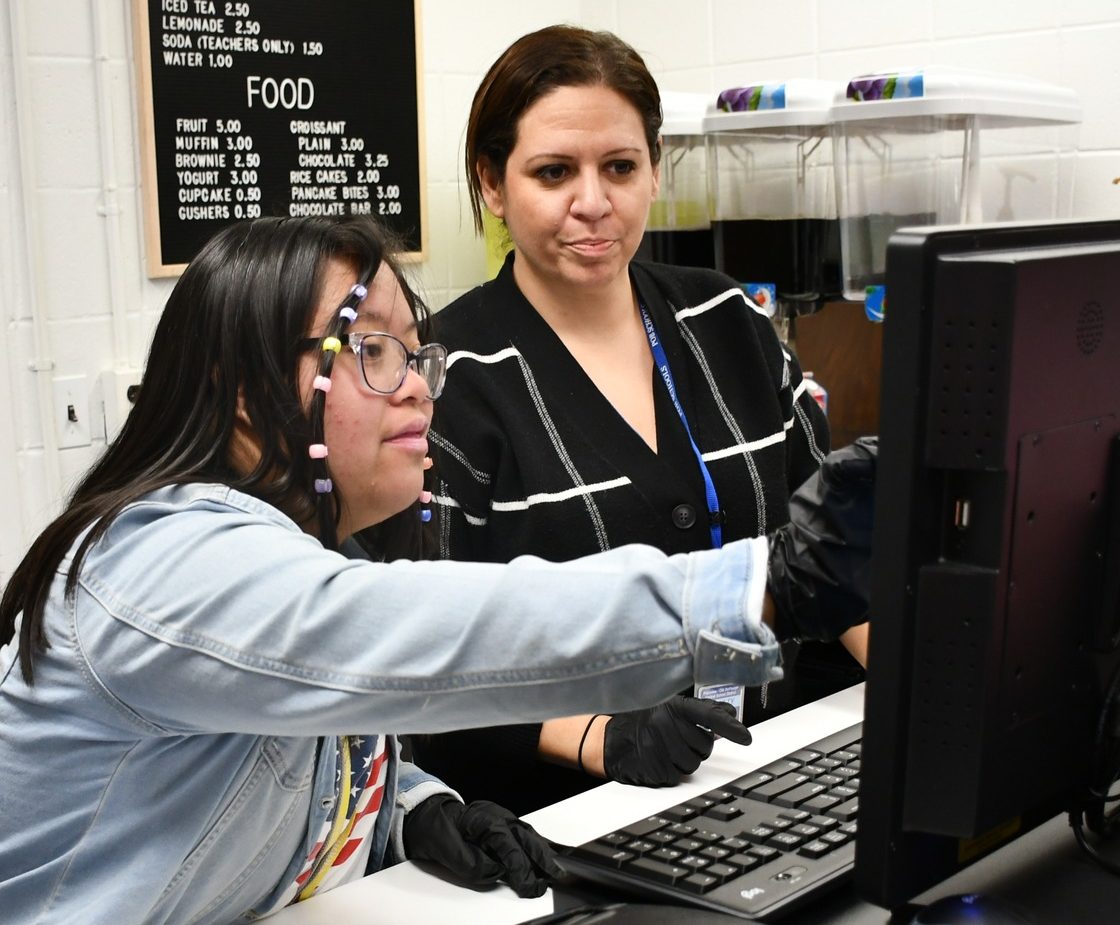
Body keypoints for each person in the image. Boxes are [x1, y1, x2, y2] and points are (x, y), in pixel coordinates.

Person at [0, 215, 869, 924]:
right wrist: (763, 584)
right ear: (240, 393)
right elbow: (411, 636)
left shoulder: (305, 548)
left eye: (418, 355)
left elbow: (287, 746)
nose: (418, 385)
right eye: (370, 351)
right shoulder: (161, 558)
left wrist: (413, 809)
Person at [415, 24, 872, 815]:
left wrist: (926, 699)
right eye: (554, 172)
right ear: (492, 184)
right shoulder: (447, 380)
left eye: (620, 167)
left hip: (779, 773)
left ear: (655, 170)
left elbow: (836, 555)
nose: (592, 203)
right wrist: (606, 737)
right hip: (578, 808)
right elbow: (425, 654)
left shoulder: (728, 317)